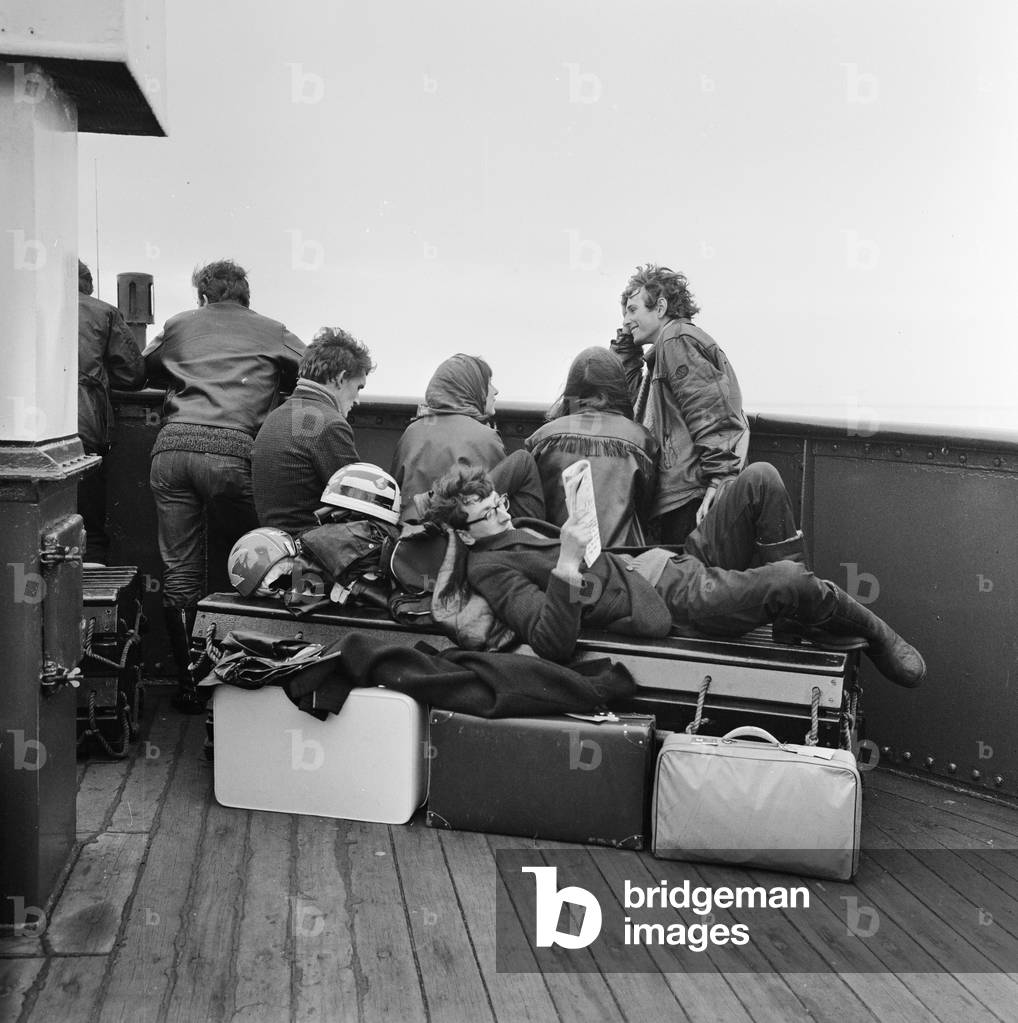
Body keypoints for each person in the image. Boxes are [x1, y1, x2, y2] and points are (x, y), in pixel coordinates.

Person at [422, 461, 926, 689]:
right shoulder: (490, 567)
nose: (504, 515)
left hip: (663, 560)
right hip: (670, 597)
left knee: (760, 479)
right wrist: (567, 563)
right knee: (787, 581)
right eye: (488, 515)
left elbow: (518, 464)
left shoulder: (505, 526)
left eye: (498, 503)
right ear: (463, 535)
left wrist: (447, 500)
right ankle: (874, 631)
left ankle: (798, 617)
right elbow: (549, 640)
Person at [143, 259, 304, 713]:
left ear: (202, 296)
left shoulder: (178, 325)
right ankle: (253, 678)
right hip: (232, 455)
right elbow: (313, 368)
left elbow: (139, 372)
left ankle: (189, 688)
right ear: (246, 296)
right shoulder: (271, 329)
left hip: (170, 452)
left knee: (180, 573)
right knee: (263, 559)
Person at [612, 265, 749, 545]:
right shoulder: (664, 350)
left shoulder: (677, 340)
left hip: (688, 493)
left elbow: (709, 412)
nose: (626, 320)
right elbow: (629, 406)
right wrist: (626, 346)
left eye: (632, 310)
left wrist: (719, 478)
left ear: (660, 306)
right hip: (680, 492)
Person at [524, 347, 659, 548]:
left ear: (571, 388)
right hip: (622, 562)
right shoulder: (642, 440)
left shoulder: (541, 438)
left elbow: (532, 507)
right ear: (619, 390)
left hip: (558, 557)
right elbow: (646, 507)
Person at [390, 353, 543, 522]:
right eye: (488, 383)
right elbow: (494, 502)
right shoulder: (484, 437)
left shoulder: (412, 432)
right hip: (461, 538)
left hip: (410, 535)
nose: (495, 390)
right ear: (471, 388)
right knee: (523, 461)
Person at [252, 327, 374, 536]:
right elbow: (359, 502)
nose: (357, 400)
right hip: (314, 554)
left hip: (276, 546)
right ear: (341, 378)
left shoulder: (276, 417)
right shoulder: (329, 424)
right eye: (359, 387)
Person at [76, 259, 147, 564]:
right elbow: (133, 374)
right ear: (87, 286)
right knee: (87, 527)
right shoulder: (102, 312)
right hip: (83, 431)